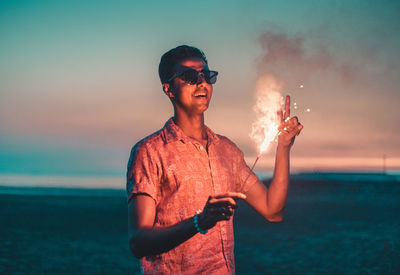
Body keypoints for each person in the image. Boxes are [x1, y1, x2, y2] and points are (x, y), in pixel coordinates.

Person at [126, 45, 303, 274]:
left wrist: (284, 147)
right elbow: (138, 242)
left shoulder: (227, 150)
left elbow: (273, 210)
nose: (201, 83)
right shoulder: (149, 151)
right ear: (168, 89)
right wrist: (200, 222)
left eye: (206, 75)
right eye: (189, 76)